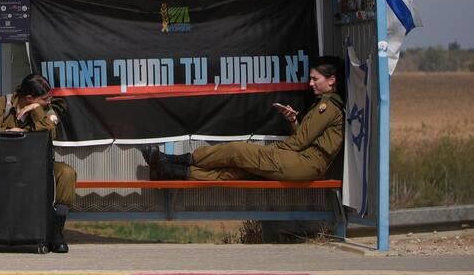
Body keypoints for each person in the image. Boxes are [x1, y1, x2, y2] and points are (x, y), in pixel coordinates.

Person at [143, 55, 345, 181]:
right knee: (234, 173)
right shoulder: (324, 104)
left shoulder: (327, 107)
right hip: (302, 162)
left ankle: (176, 160)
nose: (310, 83)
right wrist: (293, 121)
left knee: (237, 150)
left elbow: (300, 141)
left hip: (305, 164)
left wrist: (272, 151)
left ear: (332, 80)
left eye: (315, 79)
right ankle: (170, 171)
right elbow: (305, 137)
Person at [0, 73, 77, 253]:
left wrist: (35, 109)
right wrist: (11, 131)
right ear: (28, 97)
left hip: (35, 165)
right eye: (44, 98)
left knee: (66, 174)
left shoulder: (46, 108)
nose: (48, 100)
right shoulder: (4, 103)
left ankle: (56, 233)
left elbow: (50, 134)